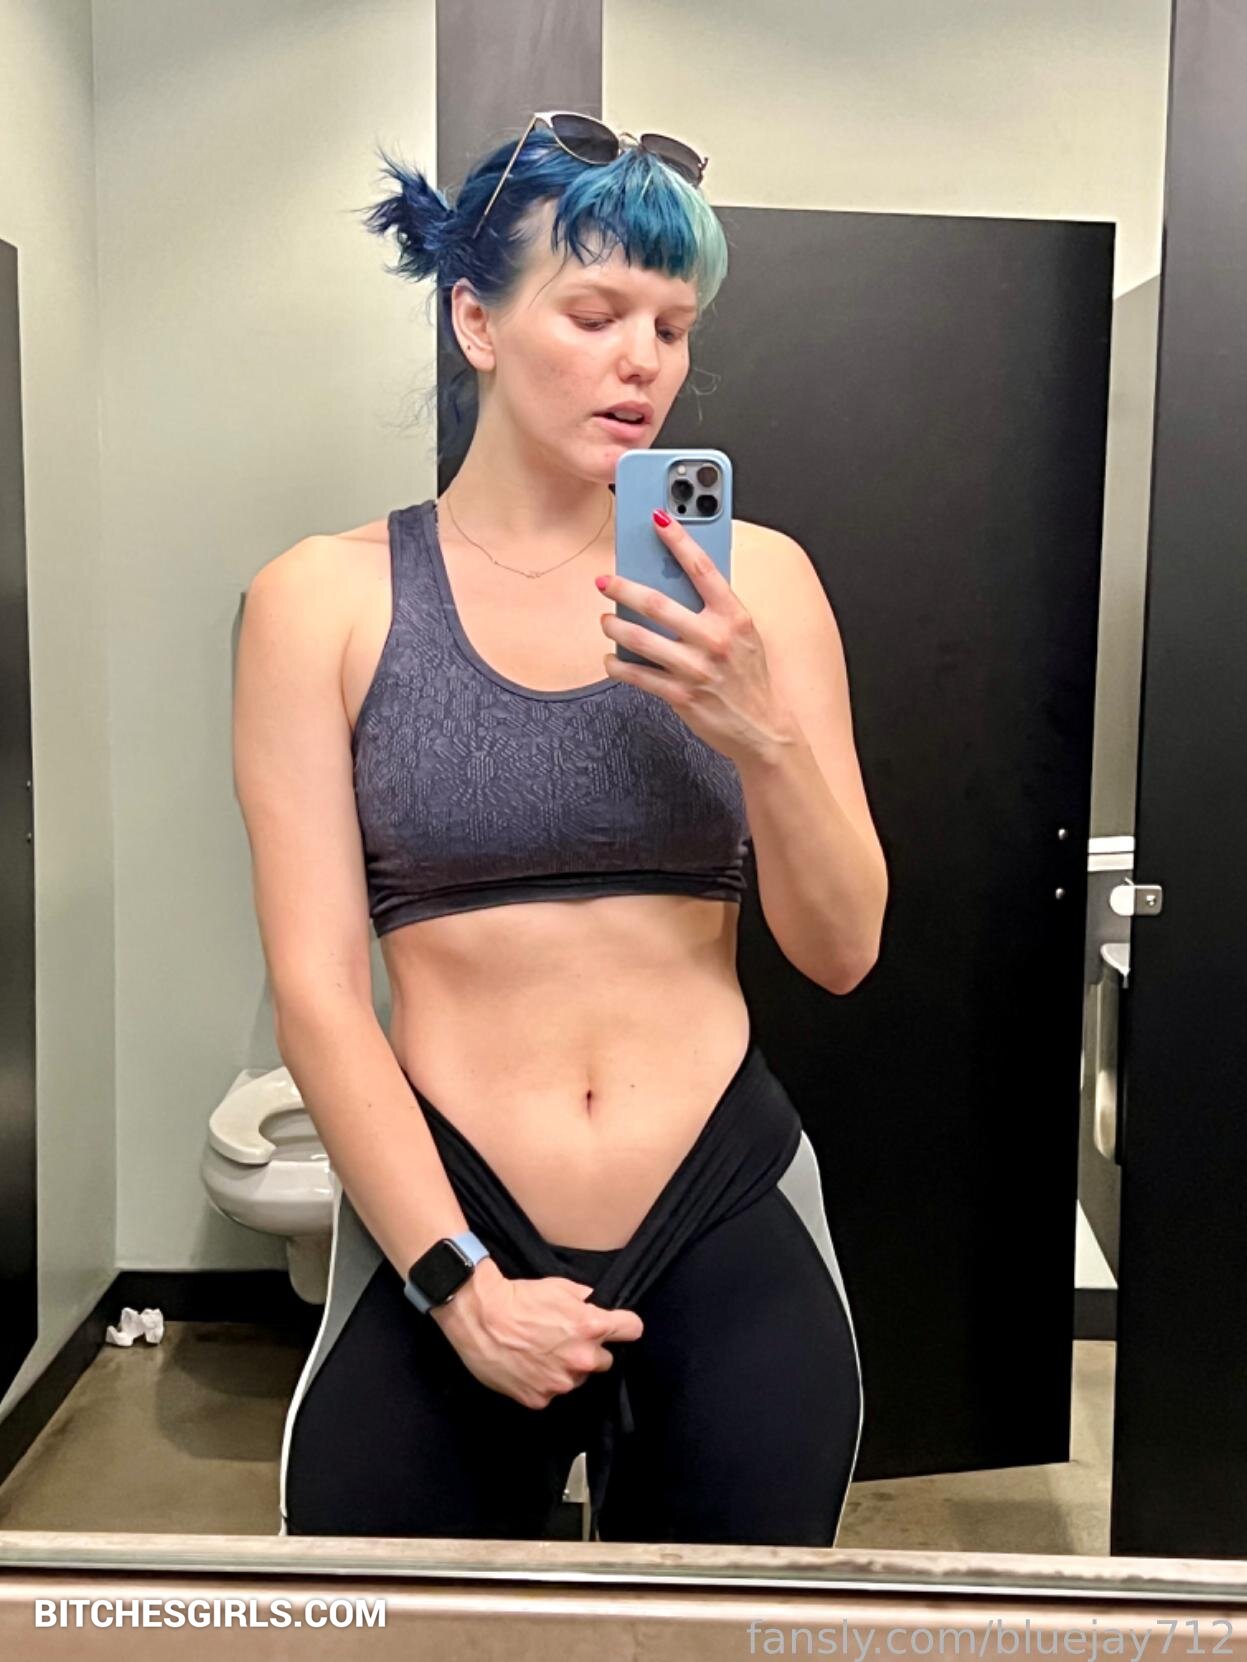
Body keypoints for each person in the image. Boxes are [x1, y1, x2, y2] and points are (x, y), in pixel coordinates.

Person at [232, 113, 888, 1546]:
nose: (642, 358)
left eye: (673, 324)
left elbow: (842, 949)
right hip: (446, 1206)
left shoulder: (760, 587)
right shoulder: (323, 601)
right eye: (594, 315)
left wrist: (759, 731)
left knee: (730, 1636)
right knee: (401, 1633)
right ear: (475, 320)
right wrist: (456, 1282)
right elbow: (318, 992)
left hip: (722, 1199)